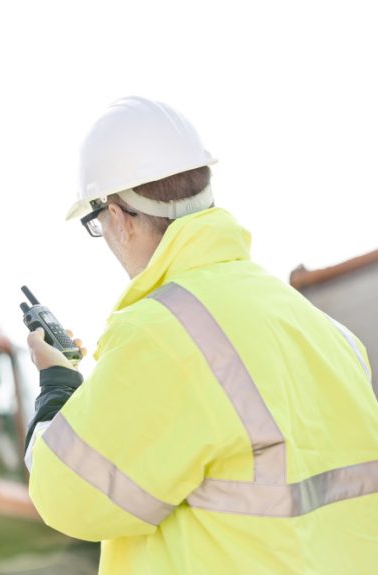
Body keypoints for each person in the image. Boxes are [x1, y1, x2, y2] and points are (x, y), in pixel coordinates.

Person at [24, 96, 378, 574]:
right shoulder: (325, 331)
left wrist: (57, 389)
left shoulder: (164, 334)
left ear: (119, 216)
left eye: (97, 222)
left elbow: (67, 493)